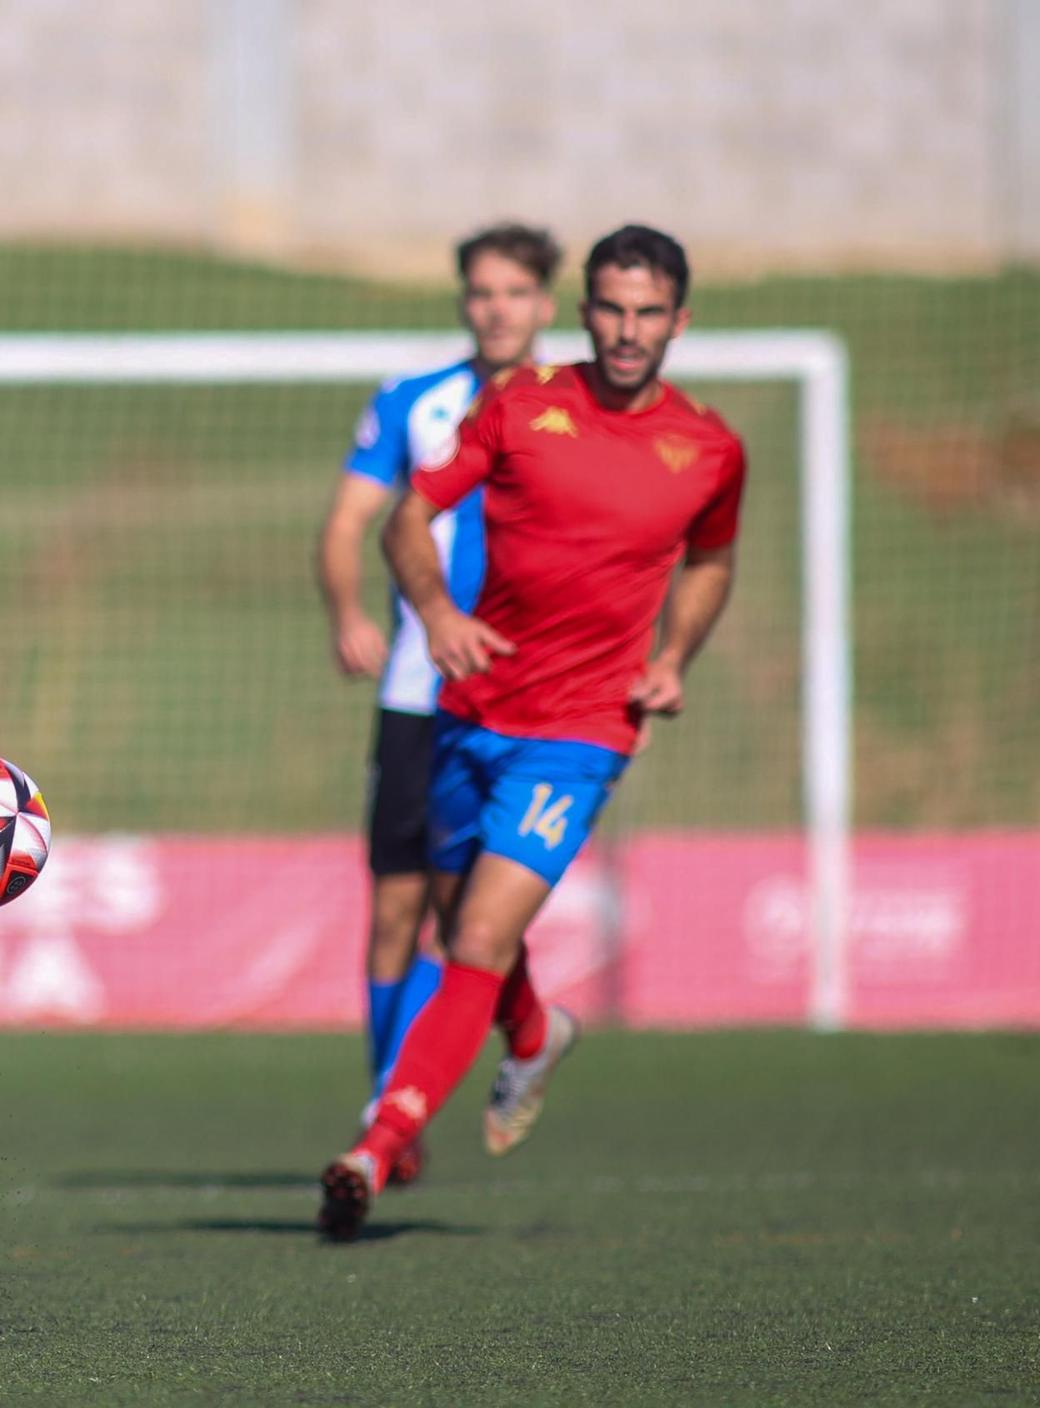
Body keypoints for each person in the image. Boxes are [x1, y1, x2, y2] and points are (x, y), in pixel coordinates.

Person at [319, 225, 745, 1241]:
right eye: (612, 308)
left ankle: (374, 1149)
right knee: (453, 918)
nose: (627, 330)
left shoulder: (709, 449)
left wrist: (672, 657)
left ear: (677, 321)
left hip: (582, 733)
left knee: (469, 934)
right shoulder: (517, 406)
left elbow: (710, 562)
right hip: (468, 711)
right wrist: (437, 616)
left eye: (648, 313)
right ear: (584, 309)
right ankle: (532, 1028)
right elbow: (403, 519)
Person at [315, 223, 559, 1178]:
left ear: (546, 303)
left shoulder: (577, 411)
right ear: (464, 299)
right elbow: (346, 521)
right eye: (481, 292)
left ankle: (527, 1037)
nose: (496, 309)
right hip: (420, 695)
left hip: (527, 701)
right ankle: (389, 1109)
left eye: (515, 292)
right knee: (392, 910)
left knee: (468, 920)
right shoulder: (415, 403)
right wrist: (345, 610)